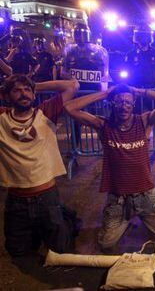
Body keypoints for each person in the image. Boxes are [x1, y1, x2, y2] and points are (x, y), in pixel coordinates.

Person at [64, 84, 155, 249]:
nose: (124, 106)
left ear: (133, 105)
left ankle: (137, 213)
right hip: (118, 197)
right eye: (120, 102)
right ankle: (127, 216)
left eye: (128, 103)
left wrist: (142, 90)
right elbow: (69, 107)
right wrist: (105, 94)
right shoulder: (104, 125)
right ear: (113, 104)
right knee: (106, 243)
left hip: (145, 194)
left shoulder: (144, 121)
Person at [0, 75, 80, 257]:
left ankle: (67, 218)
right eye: (17, 91)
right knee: (17, 251)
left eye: (27, 90)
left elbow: (72, 86)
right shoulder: (2, 118)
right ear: (6, 96)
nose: (23, 94)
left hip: (47, 196)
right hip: (16, 200)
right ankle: (38, 228)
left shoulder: (45, 113)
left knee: (59, 249)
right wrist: (5, 88)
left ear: (34, 94)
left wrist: (34, 85)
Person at [125, 25, 155, 156]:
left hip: (152, 89)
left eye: (144, 35)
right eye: (140, 36)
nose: (142, 38)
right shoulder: (131, 54)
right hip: (136, 90)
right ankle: (136, 145)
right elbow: (126, 70)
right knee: (136, 118)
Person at [63, 23, 109, 91]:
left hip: (89, 91)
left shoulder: (98, 52)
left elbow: (102, 73)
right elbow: (65, 72)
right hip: (81, 91)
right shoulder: (70, 51)